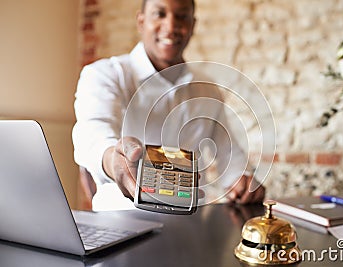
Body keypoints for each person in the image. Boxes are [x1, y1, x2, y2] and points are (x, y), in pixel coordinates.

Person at [72, 0, 265, 211]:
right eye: (159, 14)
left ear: (192, 25)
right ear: (141, 22)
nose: (171, 27)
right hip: (120, 219)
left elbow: (230, 155)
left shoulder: (207, 90)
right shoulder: (105, 75)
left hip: (191, 224)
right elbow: (93, 136)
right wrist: (112, 160)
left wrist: (244, 180)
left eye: (182, 16)